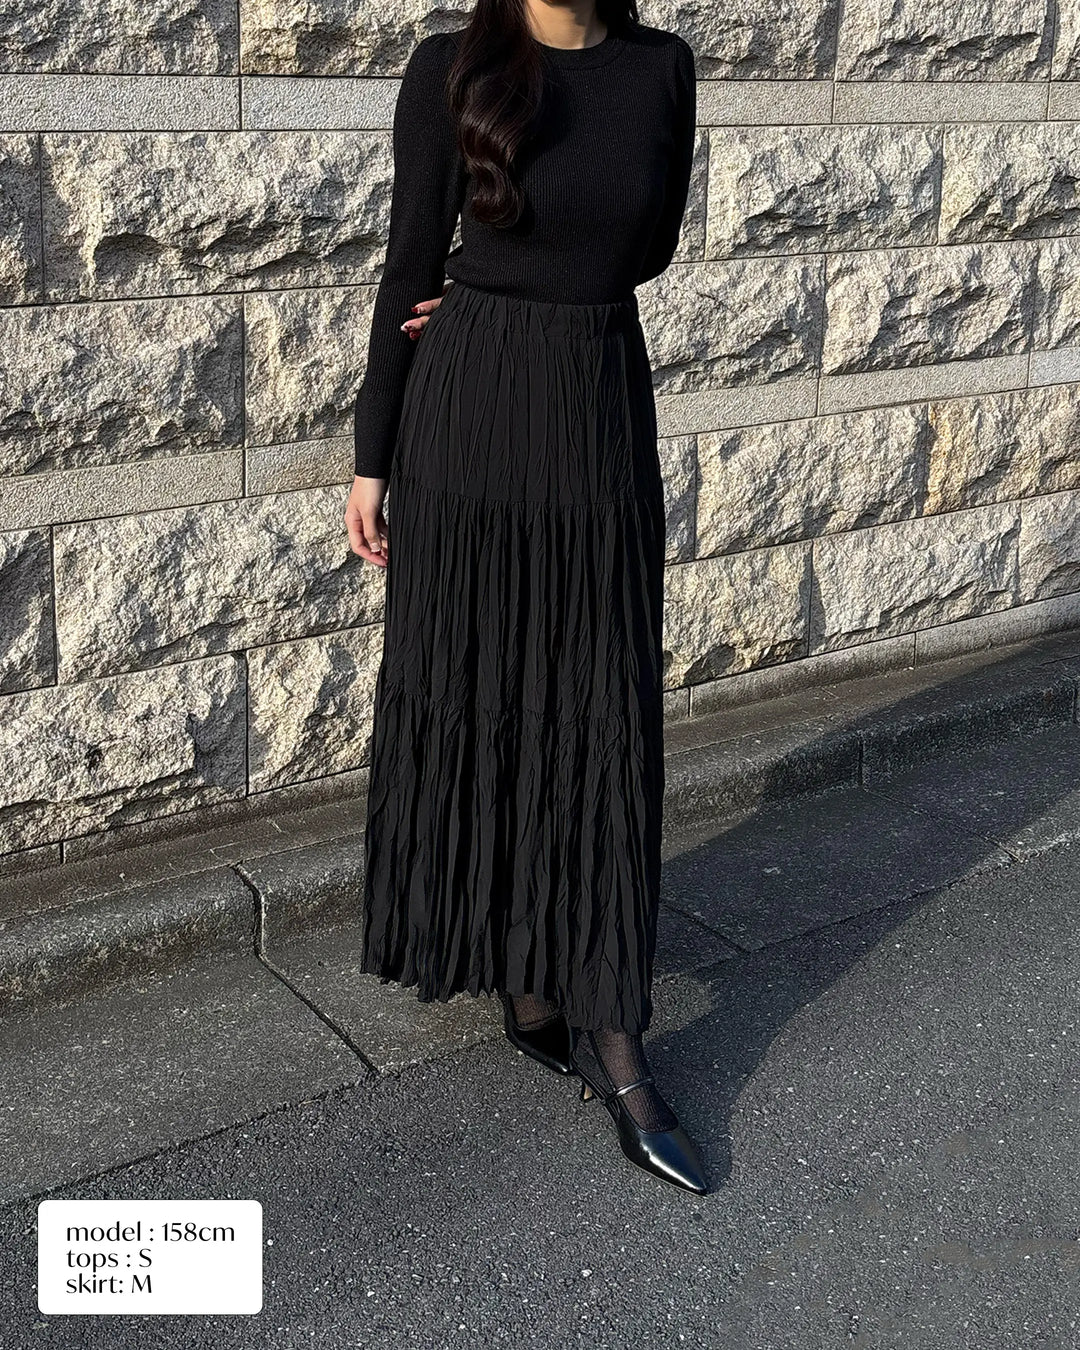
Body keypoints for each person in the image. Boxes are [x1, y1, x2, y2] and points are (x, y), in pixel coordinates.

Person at [344, 0, 706, 1194]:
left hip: (595, 405)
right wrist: (372, 458)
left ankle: (612, 1031)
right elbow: (408, 261)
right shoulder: (451, 67)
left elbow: (645, 248)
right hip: (472, 414)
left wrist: (537, 289)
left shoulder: (661, 69)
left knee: (599, 707)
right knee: (481, 685)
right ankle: (524, 973)